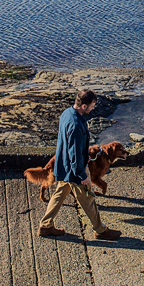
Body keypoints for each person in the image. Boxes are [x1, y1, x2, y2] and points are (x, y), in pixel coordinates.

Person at [37, 90, 121, 240]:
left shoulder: (67, 113)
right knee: (88, 199)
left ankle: (45, 226)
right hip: (75, 170)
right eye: (92, 105)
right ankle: (100, 230)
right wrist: (82, 175)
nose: (93, 108)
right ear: (83, 106)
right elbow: (74, 154)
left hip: (64, 167)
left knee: (58, 195)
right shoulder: (76, 125)